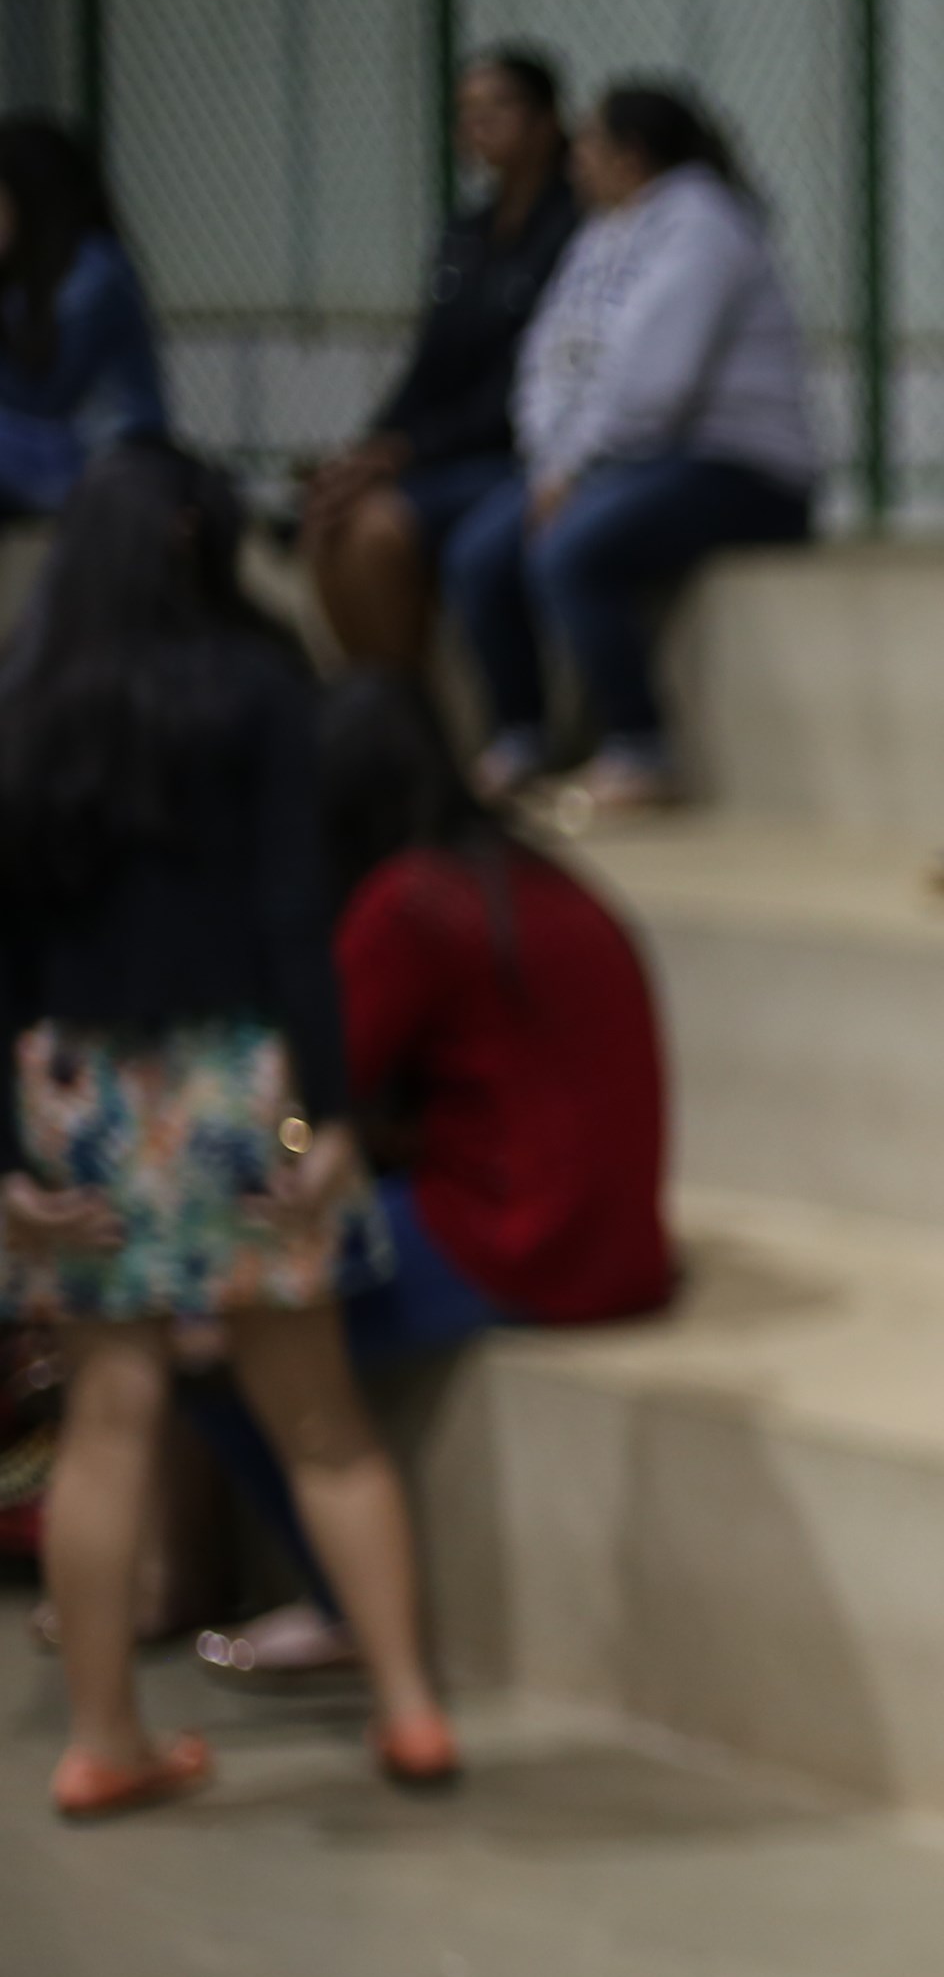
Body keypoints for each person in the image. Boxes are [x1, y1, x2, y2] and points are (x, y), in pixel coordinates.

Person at [0, 440, 458, 1816]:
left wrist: (8, 1160)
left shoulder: (25, 704)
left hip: (75, 1089)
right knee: (321, 1420)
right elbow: (293, 927)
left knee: (107, 1422)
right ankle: (410, 1711)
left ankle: (103, 1740)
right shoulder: (257, 691)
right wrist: (325, 1113)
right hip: (232, 1084)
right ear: (200, 540)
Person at [186, 674, 677, 1681]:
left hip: (521, 1242)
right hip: (620, 1238)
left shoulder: (409, 901)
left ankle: (339, 1606)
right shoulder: (529, 871)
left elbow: (302, 1091)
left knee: (207, 1333)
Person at [448, 79, 818, 817]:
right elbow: (549, 358)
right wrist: (553, 459)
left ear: (632, 155)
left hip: (738, 469)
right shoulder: (603, 232)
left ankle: (642, 749)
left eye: (590, 142)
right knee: (478, 552)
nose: (576, 159)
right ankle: (522, 738)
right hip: (613, 462)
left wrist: (574, 468)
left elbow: (657, 383)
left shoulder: (705, 226)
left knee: (571, 550)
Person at [298, 49, 581, 678]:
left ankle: (405, 708)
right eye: (467, 111)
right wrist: (368, 449)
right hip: (447, 449)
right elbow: (430, 362)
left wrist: (407, 451)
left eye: (498, 107)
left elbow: (532, 379)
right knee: (327, 518)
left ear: (547, 121)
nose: (478, 125)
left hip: (523, 450)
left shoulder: (576, 228)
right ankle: (371, 704)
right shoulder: (466, 231)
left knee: (377, 531)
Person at [0, 116, 168, 519]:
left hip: (105, 466)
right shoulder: (25, 283)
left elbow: (43, 395)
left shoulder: (95, 272)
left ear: (29, 200)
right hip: (53, 457)